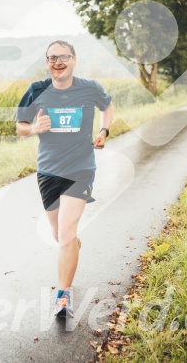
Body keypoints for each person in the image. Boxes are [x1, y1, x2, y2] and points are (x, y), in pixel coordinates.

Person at [15, 40, 114, 318]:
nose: (57, 62)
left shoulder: (89, 87)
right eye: (51, 57)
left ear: (74, 59)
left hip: (80, 168)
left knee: (67, 231)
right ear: (47, 61)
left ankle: (63, 297)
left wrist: (104, 130)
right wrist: (34, 127)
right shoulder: (37, 90)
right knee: (60, 234)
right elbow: (19, 127)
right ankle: (71, 247)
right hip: (48, 171)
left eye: (63, 57)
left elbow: (108, 107)